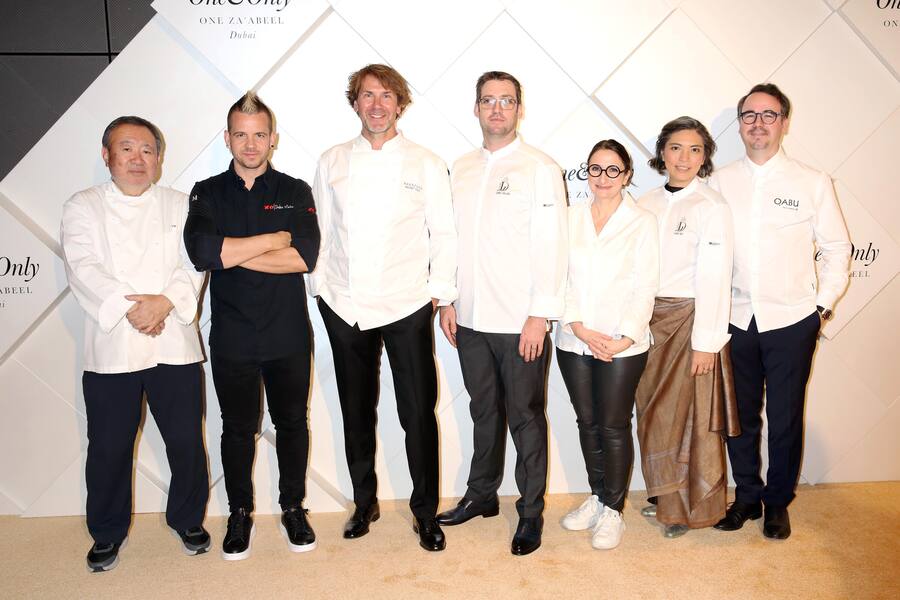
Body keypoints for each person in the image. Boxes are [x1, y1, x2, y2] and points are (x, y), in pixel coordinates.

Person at [310, 64, 457, 552]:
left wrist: (440, 293)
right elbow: (323, 236)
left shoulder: (426, 163)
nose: (377, 104)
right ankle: (364, 500)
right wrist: (321, 292)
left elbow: (445, 234)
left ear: (401, 104)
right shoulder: (332, 161)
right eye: (367, 95)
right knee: (356, 408)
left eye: (386, 95)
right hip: (344, 304)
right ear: (356, 103)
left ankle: (424, 512)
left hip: (407, 303)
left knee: (417, 412)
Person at [61, 116, 209, 572]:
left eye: (147, 150)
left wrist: (164, 302)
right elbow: (82, 266)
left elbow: (195, 262)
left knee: (185, 440)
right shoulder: (81, 205)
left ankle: (187, 519)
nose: (137, 159)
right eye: (126, 148)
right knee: (108, 445)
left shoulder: (182, 204)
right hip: (113, 345)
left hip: (173, 341)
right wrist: (134, 309)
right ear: (106, 155)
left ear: (159, 159)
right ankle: (106, 531)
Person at [709, 83, 851, 539]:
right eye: (749, 115)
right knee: (741, 417)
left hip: (792, 321)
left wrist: (820, 310)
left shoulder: (812, 182)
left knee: (786, 417)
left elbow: (837, 248)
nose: (758, 123)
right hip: (735, 319)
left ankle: (777, 502)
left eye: (769, 115)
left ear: (784, 123)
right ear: (740, 124)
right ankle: (747, 496)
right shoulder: (718, 181)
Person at [436, 71, 567, 556]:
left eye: (506, 101)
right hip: (469, 320)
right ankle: (482, 494)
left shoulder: (541, 167)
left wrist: (540, 315)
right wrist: (447, 299)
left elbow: (553, 244)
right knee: (482, 412)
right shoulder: (461, 167)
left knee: (526, 418)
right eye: (487, 101)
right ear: (475, 108)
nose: (496, 109)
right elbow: (448, 239)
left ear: (519, 109)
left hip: (520, 323)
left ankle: (530, 513)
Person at [184, 92, 320, 560]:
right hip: (233, 339)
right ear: (227, 138)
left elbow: (304, 257)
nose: (249, 143)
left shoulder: (296, 191)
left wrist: (235, 252)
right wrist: (271, 240)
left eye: (258, 134)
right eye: (240, 134)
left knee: (292, 424)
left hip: (288, 336)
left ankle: (293, 508)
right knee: (237, 429)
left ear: (272, 139)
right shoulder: (206, 191)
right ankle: (239, 513)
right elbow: (204, 254)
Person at [633, 117, 739, 538]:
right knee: (653, 414)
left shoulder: (711, 207)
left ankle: (687, 509)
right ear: (662, 153)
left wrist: (707, 344)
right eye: (676, 148)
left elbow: (716, 277)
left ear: (705, 157)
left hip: (691, 323)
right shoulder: (645, 203)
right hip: (646, 323)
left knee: (686, 420)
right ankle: (664, 494)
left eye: (695, 149)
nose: (684, 158)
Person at [555, 139, 658, 550]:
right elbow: (559, 276)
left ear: (627, 175)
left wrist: (624, 338)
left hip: (622, 344)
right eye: (595, 169)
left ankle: (614, 511)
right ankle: (598, 497)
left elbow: (645, 284)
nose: (603, 178)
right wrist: (578, 327)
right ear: (587, 173)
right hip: (574, 338)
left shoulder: (642, 221)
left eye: (612, 170)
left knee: (614, 425)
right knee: (587, 422)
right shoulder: (569, 217)